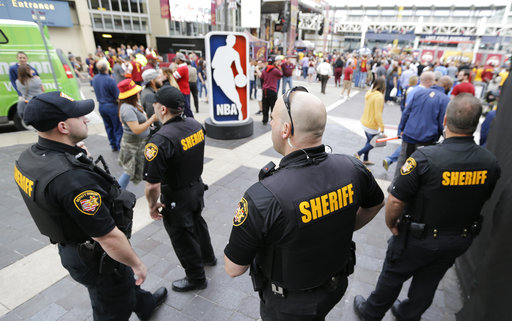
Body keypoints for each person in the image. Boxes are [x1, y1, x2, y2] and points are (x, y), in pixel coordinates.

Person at [223, 88, 385, 321]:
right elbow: (376, 204)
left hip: (289, 305)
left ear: (286, 130)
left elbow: (233, 268)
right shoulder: (353, 168)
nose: (271, 125)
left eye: (273, 120)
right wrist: (340, 227)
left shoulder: (263, 197)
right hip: (335, 286)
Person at [16, 91, 167, 320]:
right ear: (63, 127)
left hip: (75, 249)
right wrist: (137, 264)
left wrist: (77, 157)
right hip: (97, 258)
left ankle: (145, 305)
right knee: (112, 304)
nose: (86, 119)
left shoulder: (30, 158)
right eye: (79, 116)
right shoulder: (71, 179)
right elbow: (108, 238)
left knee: (122, 284)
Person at [353, 94, 501, 321]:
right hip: (457, 238)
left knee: (392, 276)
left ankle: (371, 312)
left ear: (445, 121)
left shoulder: (424, 158)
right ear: (475, 124)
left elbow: (394, 201)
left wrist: (392, 224)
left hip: (416, 238)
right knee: (429, 281)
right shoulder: (490, 163)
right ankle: (408, 314)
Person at [143, 86, 216, 292]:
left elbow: (152, 185)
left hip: (176, 195)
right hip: (196, 187)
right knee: (198, 222)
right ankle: (208, 257)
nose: (153, 108)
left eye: (155, 105)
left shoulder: (159, 141)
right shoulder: (194, 124)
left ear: (163, 109)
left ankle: (196, 279)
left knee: (182, 237)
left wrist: (152, 205)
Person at [394, 73, 452, 177]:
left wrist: (401, 129)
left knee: (403, 162)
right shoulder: (444, 99)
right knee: (419, 166)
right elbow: (441, 123)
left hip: (409, 133)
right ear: (448, 87)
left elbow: (406, 112)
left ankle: (395, 187)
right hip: (426, 138)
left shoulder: (419, 93)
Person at [117, 79, 157, 190]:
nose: (139, 93)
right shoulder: (127, 109)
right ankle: (118, 193)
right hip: (132, 145)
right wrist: (151, 119)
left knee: (135, 169)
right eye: (136, 92)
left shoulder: (131, 105)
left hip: (139, 143)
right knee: (129, 171)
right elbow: (136, 130)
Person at [92, 61, 124, 152]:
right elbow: (117, 96)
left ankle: (113, 144)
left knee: (108, 126)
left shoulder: (95, 78)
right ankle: (118, 145)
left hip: (101, 106)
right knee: (117, 126)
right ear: (107, 69)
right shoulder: (110, 80)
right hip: (111, 106)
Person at [355, 78, 386, 165]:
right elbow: (378, 114)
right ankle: (358, 153)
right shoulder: (379, 96)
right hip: (372, 125)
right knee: (374, 143)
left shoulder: (370, 93)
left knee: (369, 142)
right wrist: (382, 127)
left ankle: (365, 159)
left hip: (365, 121)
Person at [260, 57, 283, 124]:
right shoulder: (275, 70)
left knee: (265, 106)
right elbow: (281, 74)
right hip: (272, 90)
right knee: (273, 106)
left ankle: (264, 120)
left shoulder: (264, 70)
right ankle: (273, 120)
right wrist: (277, 67)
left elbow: (261, 78)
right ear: (273, 63)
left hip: (265, 90)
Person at [173, 53, 194, 118]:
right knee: (184, 108)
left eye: (176, 59)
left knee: (186, 108)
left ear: (179, 60)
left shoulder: (183, 68)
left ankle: (192, 121)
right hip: (183, 90)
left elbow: (173, 77)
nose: (175, 60)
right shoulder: (182, 67)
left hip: (183, 91)